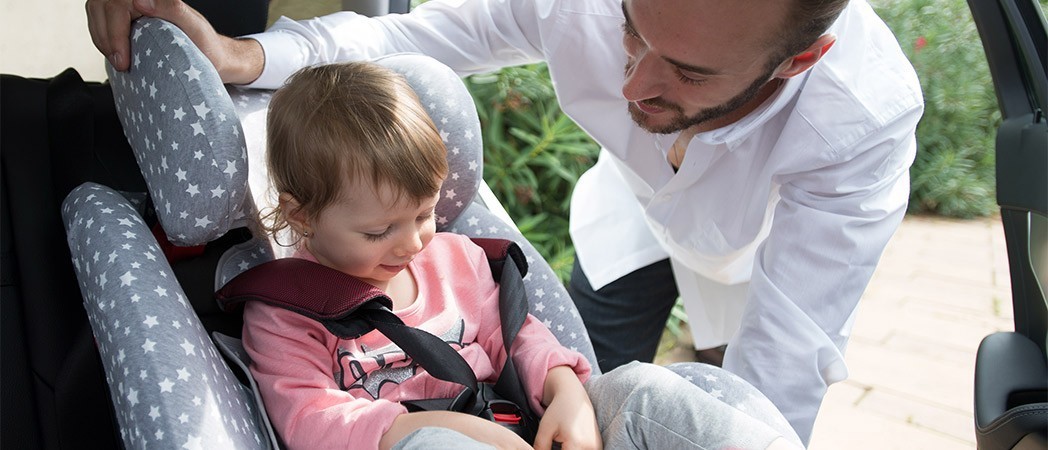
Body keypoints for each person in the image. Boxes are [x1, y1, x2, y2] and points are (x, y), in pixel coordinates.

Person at [86, 0, 924, 443]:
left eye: (687, 73)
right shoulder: (285, 310)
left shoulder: (857, 124)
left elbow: (789, 359)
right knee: (603, 348)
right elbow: (420, 31)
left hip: (752, 250)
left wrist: (564, 385)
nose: (630, 91)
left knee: (685, 402)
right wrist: (248, 56)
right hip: (627, 220)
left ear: (801, 58)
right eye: (632, 32)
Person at [244, 60, 803, 450]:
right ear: (301, 214)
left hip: (521, 423)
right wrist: (441, 431)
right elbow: (310, 420)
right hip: (411, 441)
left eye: (423, 215)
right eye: (379, 231)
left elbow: (519, 337)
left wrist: (566, 395)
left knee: (642, 388)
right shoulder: (288, 313)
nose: (414, 243)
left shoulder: (455, 259)